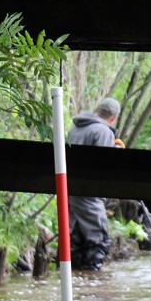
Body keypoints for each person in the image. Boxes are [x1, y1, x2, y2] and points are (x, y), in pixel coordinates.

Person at [66, 97, 121, 271]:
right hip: (89, 193)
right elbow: (103, 164)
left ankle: (77, 283)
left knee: (77, 239)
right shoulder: (103, 131)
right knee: (99, 241)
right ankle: (94, 286)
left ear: (98, 110)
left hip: (71, 190)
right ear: (113, 117)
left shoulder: (75, 129)